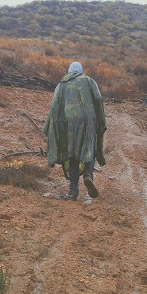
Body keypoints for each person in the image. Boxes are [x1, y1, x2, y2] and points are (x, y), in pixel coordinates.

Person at [43, 61, 106, 200]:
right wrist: (100, 121)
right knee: (88, 149)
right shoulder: (89, 81)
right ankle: (88, 175)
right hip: (88, 121)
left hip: (69, 123)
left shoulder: (62, 84)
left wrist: (49, 125)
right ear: (81, 70)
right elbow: (98, 99)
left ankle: (73, 192)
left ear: (69, 71)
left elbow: (54, 106)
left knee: (72, 155)